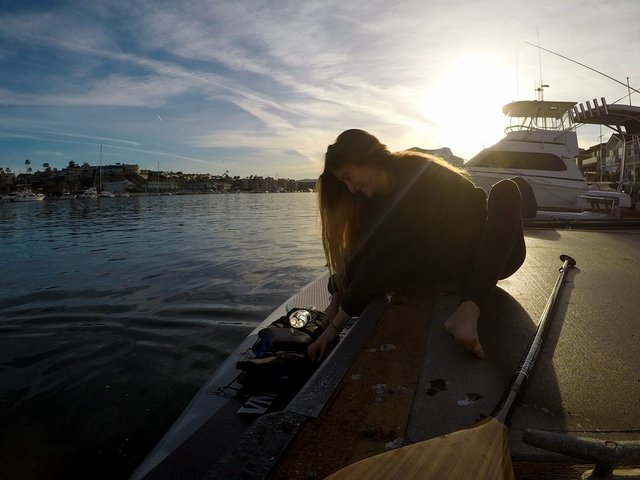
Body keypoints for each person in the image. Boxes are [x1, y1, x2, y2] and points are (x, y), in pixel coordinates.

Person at [307, 129, 526, 362]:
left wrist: (334, 328)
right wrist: (336, 296)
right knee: (392, 254)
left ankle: (468, 311)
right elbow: (365, 252)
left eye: (348, 177)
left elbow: (381, 259)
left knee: (507, 189)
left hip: (492, 257)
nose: (350, 188)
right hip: (451, 267)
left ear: (365, 159)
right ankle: (466, 307)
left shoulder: (417, 173)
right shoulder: (372, 201)